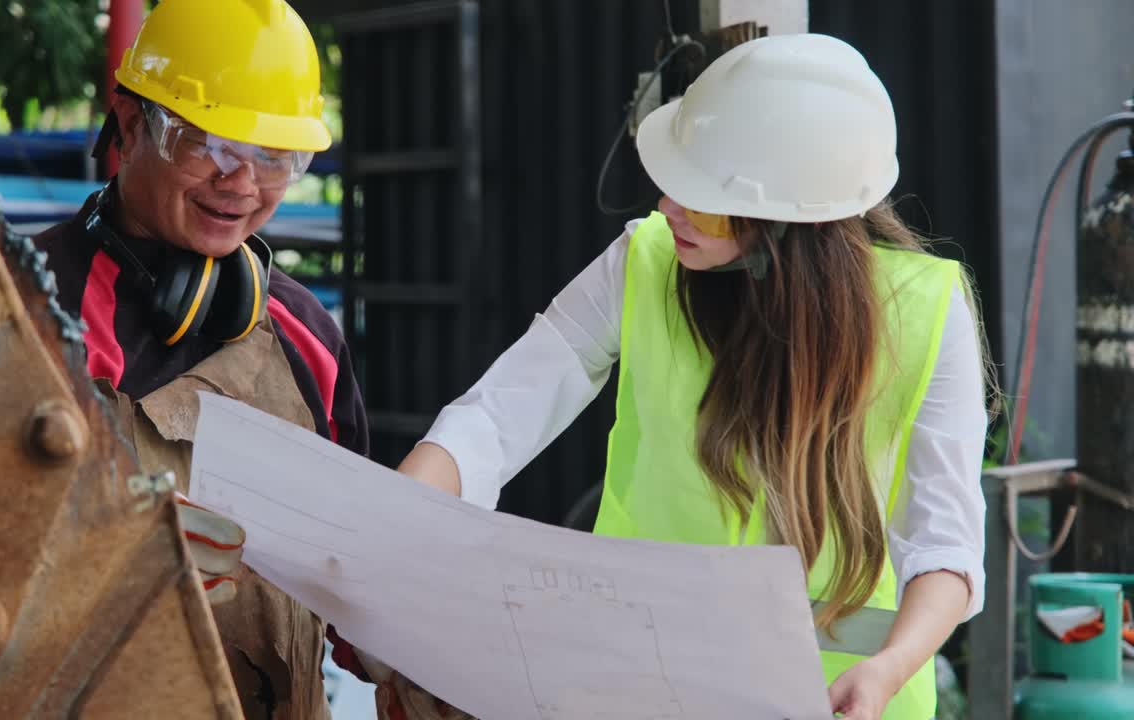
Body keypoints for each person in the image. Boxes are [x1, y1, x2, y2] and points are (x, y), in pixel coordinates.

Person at [397, 33, 990, 720]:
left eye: (705, 198)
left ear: (790, 226)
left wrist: (886, 670)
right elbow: (498, 417)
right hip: (637, 685)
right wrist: (400, 522)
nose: (668, 209)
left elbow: (946, 545)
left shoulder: (923, 309)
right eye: (675, 180)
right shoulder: (644, 263)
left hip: (838, 700)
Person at [35, 1, 369, 717]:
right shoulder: (20, 305)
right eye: (211, 145)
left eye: (275, 158)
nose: (241, 183)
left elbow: (354, 585)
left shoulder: (307, 337)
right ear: (130, 123)